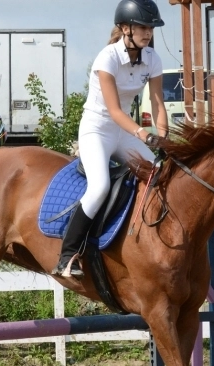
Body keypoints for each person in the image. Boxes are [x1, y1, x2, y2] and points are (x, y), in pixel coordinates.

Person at [51, 0, 168, 278]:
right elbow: (114, 111)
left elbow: (157, 103)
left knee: (159, 173)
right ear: (125, 28)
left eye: (151, 28)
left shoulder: (152, 59)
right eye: (143, 27)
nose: (148, 32)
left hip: (123, 132)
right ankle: (67, 256)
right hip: (97, 129)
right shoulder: (107, 58)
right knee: (100, 187)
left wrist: (163, 135)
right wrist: (143, 133)